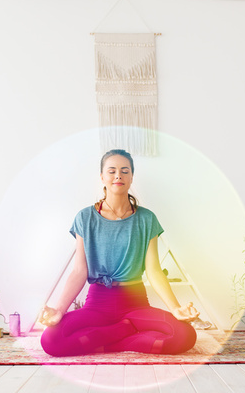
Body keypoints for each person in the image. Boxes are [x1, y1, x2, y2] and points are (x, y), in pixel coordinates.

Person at [39, 149, 199, 357]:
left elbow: (154, 271)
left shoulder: (146, 219)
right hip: (97, 304)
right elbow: (79, 271)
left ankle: (106, 339)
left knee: (185, 335)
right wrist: (59, 310)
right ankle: (125, 332)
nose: (118, 176)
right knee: (50, 341)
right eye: (112, 170)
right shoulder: (85, 217)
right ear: (102, 177)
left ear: (132, 177)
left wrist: (176, 308)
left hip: (136, 305)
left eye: (125, 171)